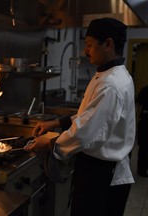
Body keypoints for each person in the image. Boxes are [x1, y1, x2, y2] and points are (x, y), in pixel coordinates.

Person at [25, 18, 135, 216]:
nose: (86, 50)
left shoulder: (112, 84)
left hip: (103, 175)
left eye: (89, 45)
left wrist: (50, 142)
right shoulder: (109, 74)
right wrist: (56, 122)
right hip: (98, 170)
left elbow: (86, 133)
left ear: (108, 44)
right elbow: (88, 115)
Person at [136, 85, 148, 177]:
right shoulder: (145, 90)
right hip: (145, 121)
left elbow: (138, 106)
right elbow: (138, 106)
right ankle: (142, 169)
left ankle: (143, 168)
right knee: (144, 147)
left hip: (144, 120)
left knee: (144, 147)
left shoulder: (145, 89)